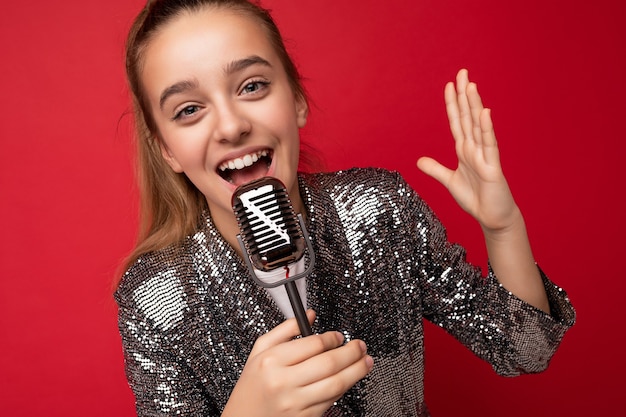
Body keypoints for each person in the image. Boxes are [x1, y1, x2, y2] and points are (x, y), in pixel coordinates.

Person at [115, 0, 576, 416]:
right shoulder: (155, 297)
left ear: (296, 100)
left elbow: (526, 350)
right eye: (189, 109)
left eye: (252, 85)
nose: (232, 125)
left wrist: (502, 227)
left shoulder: (378, 209)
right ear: (167, 152)